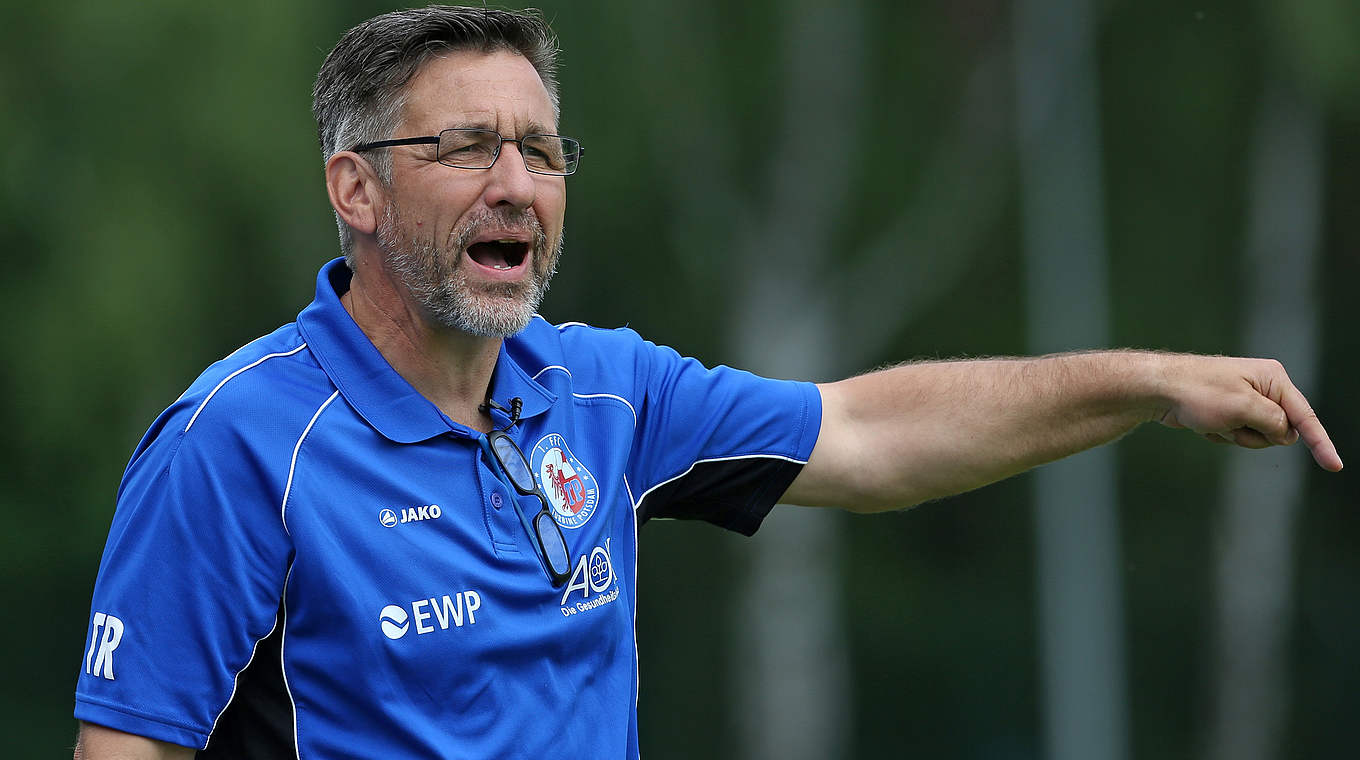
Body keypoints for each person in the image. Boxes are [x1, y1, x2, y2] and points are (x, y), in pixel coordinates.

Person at [73, 5, 1342, 759]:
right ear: (357, 188)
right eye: (464, 147)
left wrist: (1143, 382)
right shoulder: (236, 443)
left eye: (539, 147)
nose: (517, 181)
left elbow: (868, 436)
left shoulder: (604, 394)